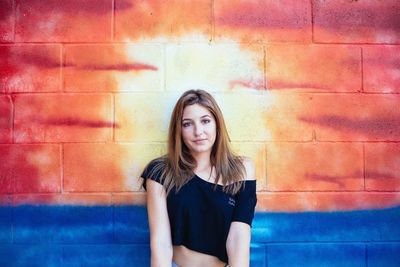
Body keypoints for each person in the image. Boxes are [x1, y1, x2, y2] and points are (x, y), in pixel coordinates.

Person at [141, 89, 257, 267]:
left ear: (217, 124)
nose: (198, 131)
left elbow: (239, 239)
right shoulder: (160, 172)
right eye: (187, 124)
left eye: (205, 121)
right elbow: (161, 244)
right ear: (178, 130)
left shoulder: (242, 170)